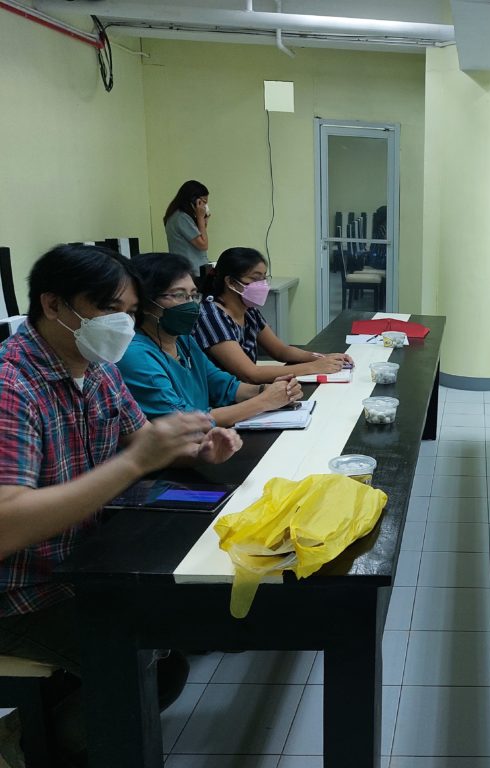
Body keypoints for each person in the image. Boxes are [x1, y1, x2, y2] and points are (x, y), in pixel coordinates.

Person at [0, 244, 241, 762]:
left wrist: (195, 446)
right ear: (54, 305)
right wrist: (136, 463)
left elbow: (138, 440)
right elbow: (7, 523)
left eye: (130, 312)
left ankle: (37, 728)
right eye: (109, 309)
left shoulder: (97, 365)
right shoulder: (10, 386)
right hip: (21, 591)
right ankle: (42, 746)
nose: (123, 324)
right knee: (139, 659)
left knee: (167, 647)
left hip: (86, 565)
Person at [118, 253, 304, 426]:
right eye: (179, 295)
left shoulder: (183, 340)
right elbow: (182, 421)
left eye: (192, 295)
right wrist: (264, 401)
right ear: (144, 302)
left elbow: (223, 385)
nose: (190, 304)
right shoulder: (135, 354)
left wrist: (268, 390)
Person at [195, 247, 354, 384]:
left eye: (264, 278)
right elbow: (250, 373)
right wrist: (313, 367)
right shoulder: (211, 316)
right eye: (255, 278)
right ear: (230, 282)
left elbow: (280, 351)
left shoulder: (249, 310)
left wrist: (321, 358)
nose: (262, 285)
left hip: (247, 390)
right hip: (222, 401)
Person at [164, 179, 211, 276]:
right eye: (203, 202)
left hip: (191, 270)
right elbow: (203, 245)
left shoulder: (181, 217)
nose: (205, 206)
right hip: (190, 272)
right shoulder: (181, 218)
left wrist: (202, 222)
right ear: (194, 200)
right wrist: (200, 218)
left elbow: (198, 238)